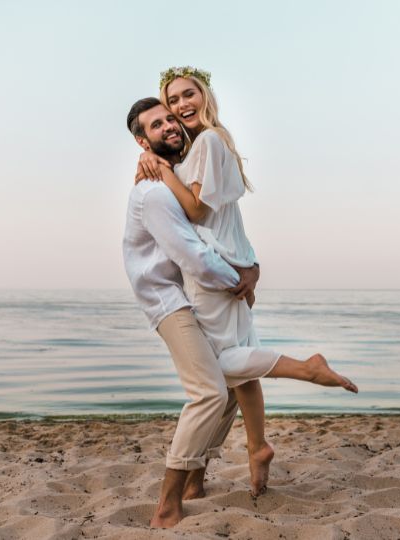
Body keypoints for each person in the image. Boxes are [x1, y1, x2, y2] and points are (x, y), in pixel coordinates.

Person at [134, 67, 357, 500]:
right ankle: (258, 446)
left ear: (205, 94)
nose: (181, 106)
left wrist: (160, 170)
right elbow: (229, 217)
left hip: (213, 271)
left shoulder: (208, 143)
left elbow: (197, 213)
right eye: (173, 101)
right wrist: (250, 265)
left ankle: (307, 368)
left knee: (220, 366)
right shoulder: (213, 142)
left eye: (187, 95)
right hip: (234, 265)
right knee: (238, 368)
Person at [123, 97, 260, 528]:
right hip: (169, 301)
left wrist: (250, 267)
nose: (168, 125)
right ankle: (168, 502)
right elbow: (195, 258)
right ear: (141, 140)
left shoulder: (176, 178)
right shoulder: (154, 194)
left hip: (191, 294)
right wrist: (238, 280)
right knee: (209, 393)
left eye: (169, 119)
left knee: (229, 380)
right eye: (155, 124)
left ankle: (196, 480)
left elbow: (214, 232)